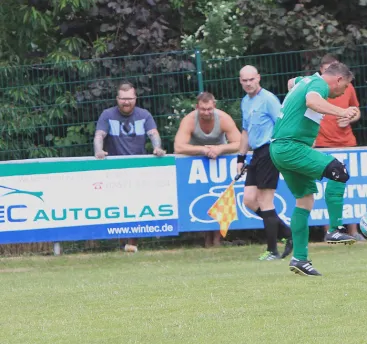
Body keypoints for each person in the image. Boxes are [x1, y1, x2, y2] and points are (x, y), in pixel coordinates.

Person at [271, 62, 359, 276]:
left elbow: (292, 82)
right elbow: (312, 101)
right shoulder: (319, 85)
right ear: (338, 79)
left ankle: (299, 259)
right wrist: (343, 112)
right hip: (291, 146)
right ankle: (335, 229)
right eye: (345, 86)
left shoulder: (307, 80)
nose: (344, 91)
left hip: (278, 148)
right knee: (339, 171)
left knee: (305, 199)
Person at [94, 81, 166, 252]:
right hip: (114, 169)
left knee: (136, 205)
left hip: (138, 168)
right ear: (117, 99)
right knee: (116, 205)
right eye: (123, 99)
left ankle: (131, 243)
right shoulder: (107, 114)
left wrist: (157, 147)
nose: (126, 102)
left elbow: (154, 134)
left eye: (130, 99)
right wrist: (99, 150)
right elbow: (99, 135)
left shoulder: (144, 114)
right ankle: (119, 242)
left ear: (135, 98)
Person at [237, 65, 293, 260]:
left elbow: (283, 125)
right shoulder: (245, 101)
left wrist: (282, 150)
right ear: (240, 81)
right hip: (255, 154)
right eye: (244, 80)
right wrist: (240, 158)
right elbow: (245, 131)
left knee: (264, 200)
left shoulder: (268, 99)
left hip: (269, 150)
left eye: (251, 79)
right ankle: (287, 233)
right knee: (249, 200)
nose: (248, 83)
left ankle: (272, 250)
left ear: (258, 78)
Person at [174, 91, 241, 247]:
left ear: (214, 106)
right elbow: (178, 146)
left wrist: (220, 149)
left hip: (221, 160)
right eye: (203, 109)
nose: (206, 112)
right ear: (197, 107)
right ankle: (206, 239)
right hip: (196, 161)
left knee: (220, 198)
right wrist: (204, 150)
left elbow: (240, 143)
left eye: (209, 109)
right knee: (200, 197)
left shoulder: (224, 118)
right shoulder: (189, 120)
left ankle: (217, 239)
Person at [312, 54, 365, 242]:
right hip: (322, 143)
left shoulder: (347, 87)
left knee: (347, 186)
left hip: (347, 142)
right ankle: (331, 231)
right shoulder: (315, 89)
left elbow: (356, 110)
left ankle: (353, 230)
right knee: (327, 188)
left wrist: (350, 117)